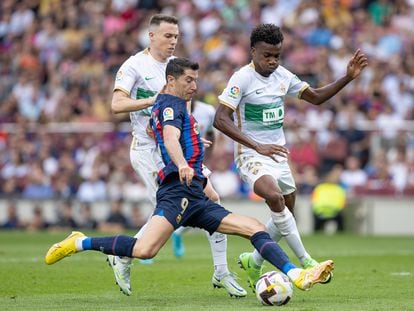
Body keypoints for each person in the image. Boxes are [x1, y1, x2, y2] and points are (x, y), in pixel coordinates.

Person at [45, 58, 334, 296]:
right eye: (188, 80)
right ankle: (79, 242)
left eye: (195, 80)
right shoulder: (170, 105)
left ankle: (297, 275)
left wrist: (195, 143)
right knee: (145, 250)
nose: (194, 86)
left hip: (196, 194)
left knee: (255, 227)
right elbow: (170, 136)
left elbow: (173, 134)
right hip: (177, 192)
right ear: (171, 81)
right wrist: (183, 162)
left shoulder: (178, 106)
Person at [214, 23, 367, 290]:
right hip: (251, 154)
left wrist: (348, 78)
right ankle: (306, 262)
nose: (272, 61)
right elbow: (220, 119)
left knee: (286, 212)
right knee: (274, 198)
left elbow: (316, 97)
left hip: (277, 155)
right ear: (253, 51)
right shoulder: (242, 78)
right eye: (266, 55)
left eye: (276, 55)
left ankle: (254, 260)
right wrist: (256, 145)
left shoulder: (283, 76)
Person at [109, 14, 245, 297]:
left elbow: (186, 106)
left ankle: (222, 272)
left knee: (213, 199)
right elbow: (116, 104)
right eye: (168, 36)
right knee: (170, 215)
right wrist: (153, 102)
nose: (173, 41)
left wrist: (192, 132)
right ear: (152, 36)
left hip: (176, 150)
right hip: (148, 152)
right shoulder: (135, 65)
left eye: (176, 37)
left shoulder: (178, 67)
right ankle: (123, 254)